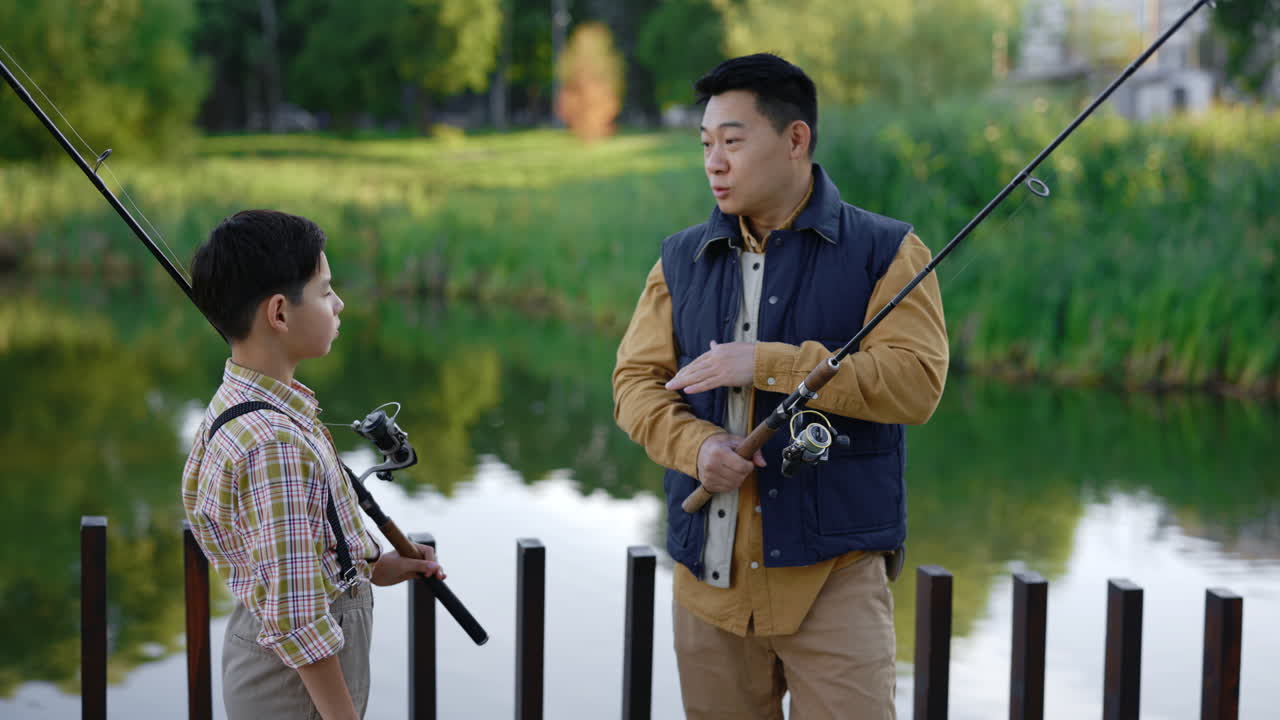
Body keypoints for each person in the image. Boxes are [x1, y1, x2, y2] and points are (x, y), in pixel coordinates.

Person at [612, 54, 949, 719]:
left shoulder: (888, 250)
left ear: (795, 140)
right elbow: (635, 385)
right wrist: (697, 448)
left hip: (835, 584)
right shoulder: (678, 259)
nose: (714, 161)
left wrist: (769, 364)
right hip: (708, 591)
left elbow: (917, 384)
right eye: (706, 144)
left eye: (733, 142)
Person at [181, 210, 444, 720]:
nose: (339, 302)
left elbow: (286, 557)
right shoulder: (275, 444)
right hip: (295, 690)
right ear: (279, 313)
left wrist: (371, 567)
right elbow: (298, 619)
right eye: (325, 291)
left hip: (281, 670)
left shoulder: (241, 404)